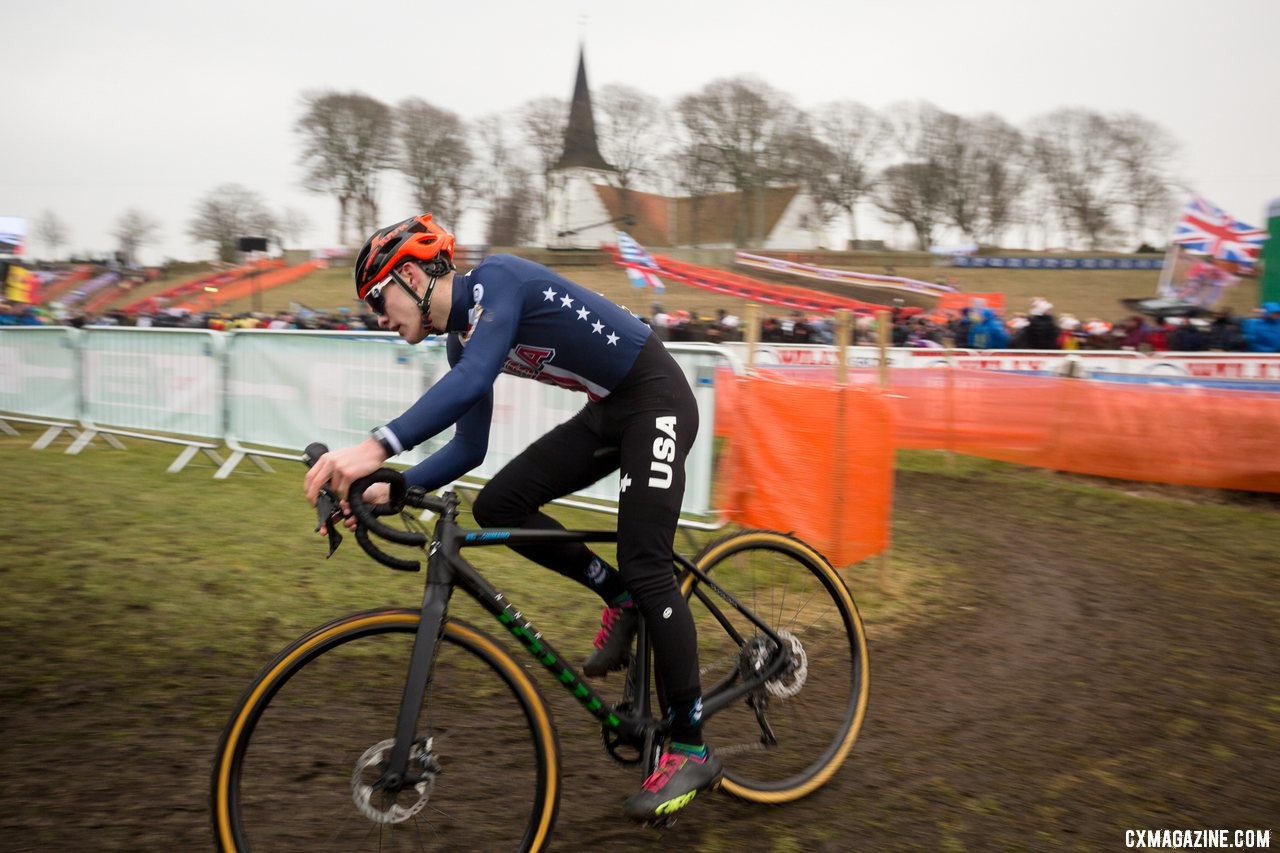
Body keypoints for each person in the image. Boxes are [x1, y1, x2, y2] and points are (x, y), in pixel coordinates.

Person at [302, 213, 721, 821]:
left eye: (378, 299)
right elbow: (469, 447)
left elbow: (473, 379)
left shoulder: (500, 281)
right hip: (609, 410)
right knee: (499, 504)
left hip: (656, 399)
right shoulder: (460, 335)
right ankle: (621, 599)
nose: (378, 316)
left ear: (413, 275)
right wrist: (390, 489)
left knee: (647, 561)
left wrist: (374, 448)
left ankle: (691, 746)